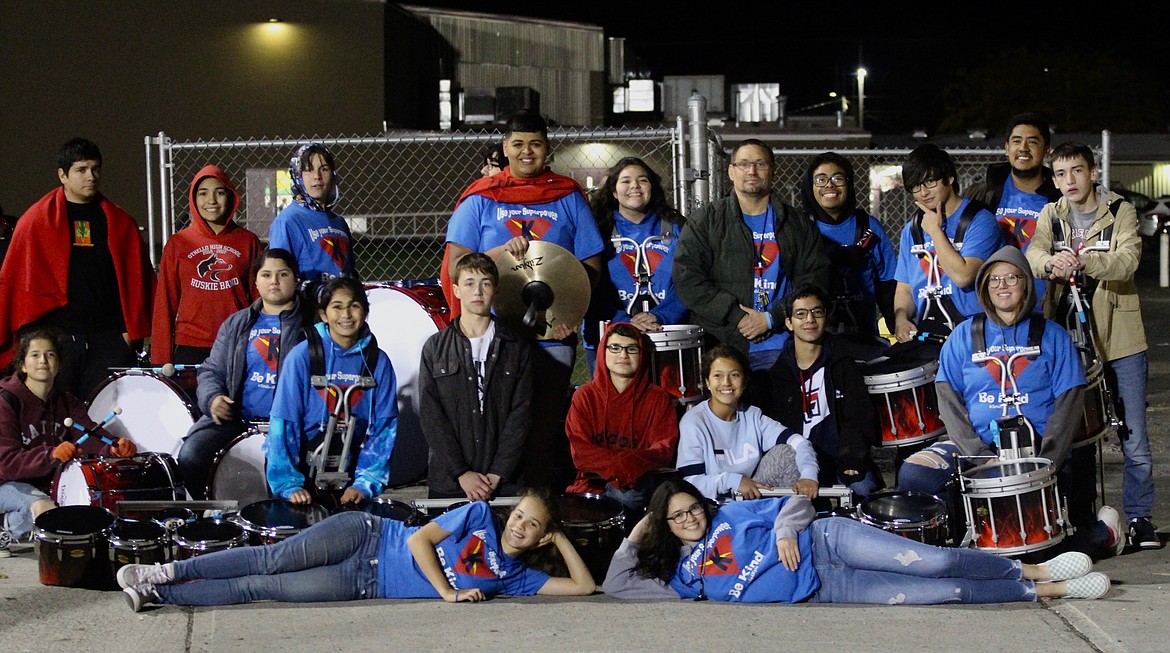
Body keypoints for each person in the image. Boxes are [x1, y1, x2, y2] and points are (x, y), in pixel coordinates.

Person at [896, 246, 1124, 557]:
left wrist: (1047, 462)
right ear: (984, 289)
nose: (1002, 286)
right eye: (994, 280)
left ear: (1027, 284)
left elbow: (1070, 403)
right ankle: (956, 539)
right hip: (977, 448)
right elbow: (948, 399)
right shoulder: (963, 335)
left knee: (1036, 547)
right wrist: (976, 454)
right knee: (914, 474)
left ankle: (1103, 534)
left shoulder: (1054, 337)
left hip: (1036, 449)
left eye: (1012, 278)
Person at [601, 478, 1110, 603]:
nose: (690, 519)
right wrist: (644, 524)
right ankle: (1047, 592)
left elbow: (797, 504)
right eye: (676, 517)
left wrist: (783, 529)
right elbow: (614, 582)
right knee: (939, 594)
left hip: (827, 544)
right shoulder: (680, 580)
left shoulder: (730, 513)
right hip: (826, 592)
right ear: (664, 526)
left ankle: (1037, 569)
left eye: (692, 508)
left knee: (931, 565)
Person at [442, 109, 605, 490]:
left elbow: (591, 265)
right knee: (494, 424)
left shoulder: (567, 196)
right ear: (505, 148)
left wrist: (571, 307)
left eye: (535, 144)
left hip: (551, 332)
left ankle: (539, 505)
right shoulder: (481, 197)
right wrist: (499, 253)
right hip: (493, 334)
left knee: (543, 424)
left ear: (547, 147)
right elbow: (456, 268)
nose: (526, 152)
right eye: (518, 144)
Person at [117, 487, 596, 611]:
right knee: (271, 557)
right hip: (368, 534)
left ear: (540, 538)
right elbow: (418, 538)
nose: (519, 526)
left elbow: (583, 586)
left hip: (366, 583)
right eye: (519, 516)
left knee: (260, 588)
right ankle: (164, 572)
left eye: (532, 525)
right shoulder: (477, 518)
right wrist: (448, 594)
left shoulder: (518, 580)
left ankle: (160, 596)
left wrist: (562, 536)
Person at [1026, 142, 1161, 551]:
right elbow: (1032, 252)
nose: (1070, 181)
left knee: (1131, 434)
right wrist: (1051, 264)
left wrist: (1082, 261)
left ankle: (1140, 518)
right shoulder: (1052, 213)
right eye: (1061, 174)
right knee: (1076, 431)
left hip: (1118, 338)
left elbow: (1127, 261)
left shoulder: (1120, 211)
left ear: (1093, 173)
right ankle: (1080, 517)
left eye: (1077, 172)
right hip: (1066, 340)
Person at [0, 137, 155, 399]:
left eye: (95, 169)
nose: (91, 177)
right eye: (81, 170)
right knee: (57, 414)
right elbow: (16, 285)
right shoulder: (36, 220)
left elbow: (137, 283)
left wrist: (127, 335)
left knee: (108, 413)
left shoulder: (120, 222)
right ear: (63, 175)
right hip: (58, 339)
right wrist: (35, 341)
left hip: (108, 338)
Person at [673, 139, 831, 377]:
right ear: (730, 171)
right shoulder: (706, 222)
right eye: (744, 164)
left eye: (760, 164)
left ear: (773, 171)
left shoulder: (797, 223)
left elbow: (815, 277)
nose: (752, 171)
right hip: (723, 344)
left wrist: (772, 317)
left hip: (783, 343)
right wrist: (736, 315)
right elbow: (688, 278)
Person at [176, 249, 306, 500]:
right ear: (256, 281)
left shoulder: (310, 325)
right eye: (266, 275)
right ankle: (217, 521)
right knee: (191, 455)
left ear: (296, 279)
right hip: (239, 420)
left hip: (291, 424)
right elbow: (211, 370)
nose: (274, 281)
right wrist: (213, 399)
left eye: (283, 274)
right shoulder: (237, 323)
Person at [0, 328, 136, 554]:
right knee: (45, 511)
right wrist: (50, 455)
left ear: (59, 364)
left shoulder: (65, 401)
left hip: (45, 485)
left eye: (50, 354)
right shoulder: (7, 401)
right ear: (22, 365)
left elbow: (91, 435)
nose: (43, 360)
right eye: (35, 355)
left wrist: (113, 447)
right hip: (5, 483)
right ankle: (7, 527)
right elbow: (6, 463)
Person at [266, 276, 397, 508]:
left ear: (365, 312)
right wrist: (289, 484)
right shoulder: (303, 355)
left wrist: (364, 483)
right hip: (301, 473)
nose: (346, 315)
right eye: (337, 307)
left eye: (354, 306)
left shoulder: (379, 361)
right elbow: (283, 423)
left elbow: (384, 429)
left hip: (352, 472)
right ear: (324, 314)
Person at [419, 252, 533, 501]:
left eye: (486, 283)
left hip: (504, 483)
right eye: (469, 283)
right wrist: (461, 473)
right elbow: (432, 416)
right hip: (451, 482)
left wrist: (498, 472)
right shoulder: (435, 348)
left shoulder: (516, 346)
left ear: (496, 289)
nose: (478, 291)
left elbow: (521, 415)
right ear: (457, 290)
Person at [760, 285, 883, 498]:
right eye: (800, 314)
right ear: (789, 322)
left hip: (840, 459)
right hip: (797, 462)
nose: (810, 319)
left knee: (862, 488)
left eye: (817, 312)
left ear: (826, 318)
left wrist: (851, 458)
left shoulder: (844, 364)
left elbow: (859, 417)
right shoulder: (775, 376)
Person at [581, 157, 687, 377]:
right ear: (613, 190)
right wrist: (625, 322)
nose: (635, 187)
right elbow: (589, 286)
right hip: (611, 337)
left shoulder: (677, 227)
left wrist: (660, 316)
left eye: (642, 180)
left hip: (666, 336)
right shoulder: (597, 228)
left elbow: (689, 281)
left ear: (653, 187)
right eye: (626, 181)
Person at [675, 344, 818, 503]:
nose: (726, 382)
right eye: (718, 376)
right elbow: (690, 482)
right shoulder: (694, 422)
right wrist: (733, 481)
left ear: (744, 382)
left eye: (734, 375)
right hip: (715, 506)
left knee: (787, 452)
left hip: (752, 497)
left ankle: (785, 517)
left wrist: (809, 476)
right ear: (707, 382)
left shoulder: (752, 415)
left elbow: (799, 443)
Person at [150, 164, 262, 366]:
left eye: (219, 192)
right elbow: (165, 302)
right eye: (203, 193)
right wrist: (160, 358)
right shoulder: (179, 243)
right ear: (194, 199)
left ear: (230, 197)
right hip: (191, 346)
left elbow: (260, 298)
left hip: (236, 341)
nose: (211, 200)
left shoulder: (248, 241)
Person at [565, 322, 680, 515]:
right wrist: (617, 466)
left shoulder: (658, 397)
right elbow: (580, 451)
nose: (623, 355)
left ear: (641, 354)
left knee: (630, 497)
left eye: (631, 349)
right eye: (615, 348)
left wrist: (630, 466)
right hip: (594, 482)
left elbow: (663, 450)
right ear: (603, 351)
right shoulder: (585, 396)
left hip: (640, 481)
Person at [893, 143, 1004, 343]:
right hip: (927, 330)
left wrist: (936, 232)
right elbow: (905, 287)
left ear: (950, 178)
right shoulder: (912, 229)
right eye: (915, 186)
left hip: (974, 330)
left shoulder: (980, 220)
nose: (923, 192)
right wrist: (901, 318)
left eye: (930, 182)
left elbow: (963, 276)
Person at [798, 152, 896, 360]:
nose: (829, 185)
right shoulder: (801, 228)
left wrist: (898, 326)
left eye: (838, 178)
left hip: (863, 337)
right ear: (810, 185)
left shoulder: (869, 227)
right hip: (814, 343)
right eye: (821, 179)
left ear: (849, 184)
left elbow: (889, 286)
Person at [964, 112, 1062, 301]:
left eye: (1032, 142)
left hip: (1045, 306)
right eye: (1017, 141)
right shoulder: (980, 195)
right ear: (1007, 148)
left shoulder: (1061, 197)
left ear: (1047, 150)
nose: (1023, 148)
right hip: (994, 306)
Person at [268, 142, 357, 304]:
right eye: (308, 170)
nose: (317, 176)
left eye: (324, 169)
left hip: (341, 311)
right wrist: (318, 292)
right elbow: (280, 277)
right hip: (308, 315)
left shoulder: (339, 222)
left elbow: (350, 273)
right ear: (297, 175)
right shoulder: (288, 221)